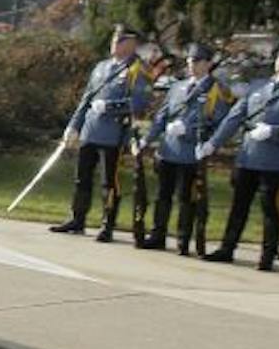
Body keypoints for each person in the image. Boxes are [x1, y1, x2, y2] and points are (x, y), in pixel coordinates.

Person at [51, 25, 153, 242]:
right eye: (115, 39)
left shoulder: (137, 69)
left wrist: (110, 106)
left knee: (109, 182)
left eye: (121, 40)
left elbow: (139, 102)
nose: (115, 43)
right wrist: (74, 125)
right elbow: (87, 98)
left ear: (132, 44)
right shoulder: (101, 67)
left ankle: (107, 225)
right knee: (82, 178)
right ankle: (77, 219)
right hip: (90, 129)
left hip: (113, 133)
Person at [140, 42, 231, 255]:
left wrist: (191, 133)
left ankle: (183, 239)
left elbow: (219, 124)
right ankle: (157, 235)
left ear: (208, 64)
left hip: (192, 154)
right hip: (168, 151)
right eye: (190, 61)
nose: (192, 65)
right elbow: (162, 117)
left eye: (197, 61)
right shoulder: (177, 87)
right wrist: (147, 139)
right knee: (163, 196)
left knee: (187, 199)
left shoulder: (217, 90)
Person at [201, 49, 279, 270]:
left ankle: (267, 255)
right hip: (248, 156)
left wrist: (274, 131)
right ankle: (227, 248)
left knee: (270, 209)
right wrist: (213, 143)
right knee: (238, 205)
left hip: (275, 161)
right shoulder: (258, 86)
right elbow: (234, 117)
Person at [128, 43, 170, 248]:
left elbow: (144, 106)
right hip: (140, 133)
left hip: (144, 129)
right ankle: (148, 231)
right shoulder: (130, 70)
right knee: (145, 190)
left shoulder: (143, 74)